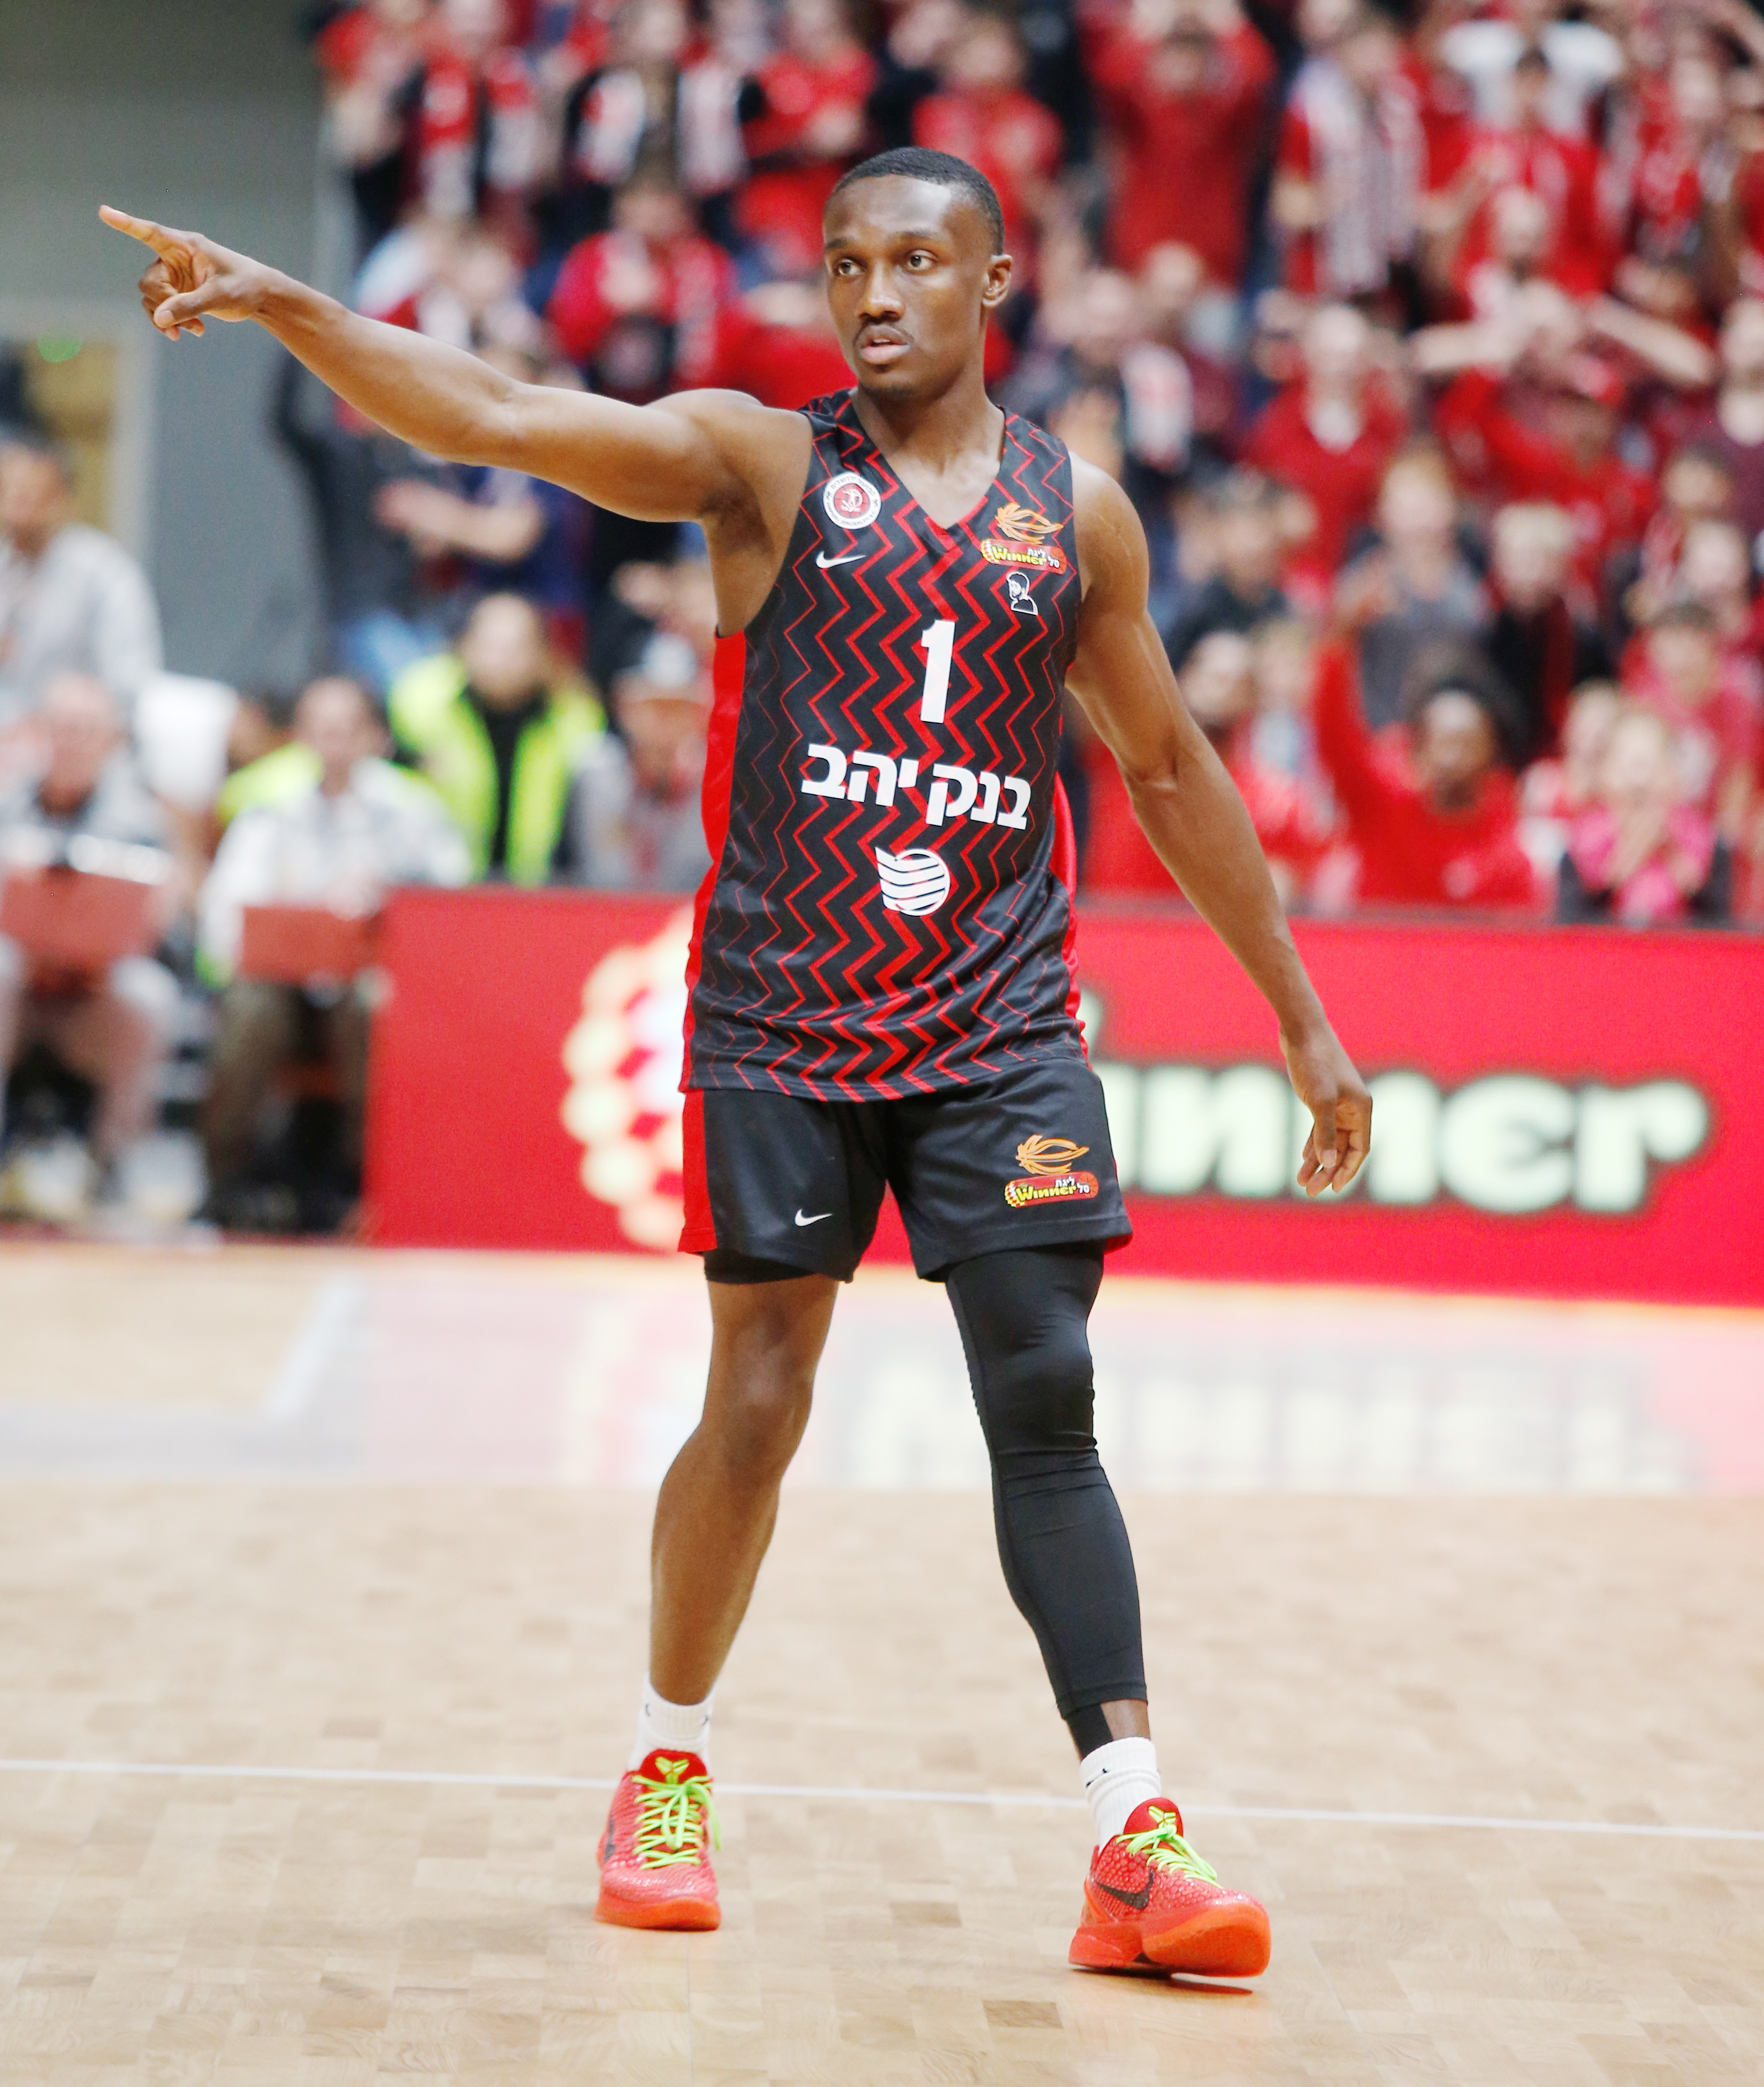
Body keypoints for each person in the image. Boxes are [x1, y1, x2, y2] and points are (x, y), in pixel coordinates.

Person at [104, 143, 1371, 1979]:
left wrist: (1301, 1016)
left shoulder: (1075, 516)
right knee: (760, 1399)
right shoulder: (760, 465)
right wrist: (293, 305)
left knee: (1045, 1390)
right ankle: (665, 1764)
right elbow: (493, 417)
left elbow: (1167, 769)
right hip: (783, 1013)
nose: (874, 294)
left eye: (914, 262)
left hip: (999, 1021)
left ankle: (1131, 1830)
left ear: (993, 280)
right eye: (846, 264)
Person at [198, 676, 470, 1228]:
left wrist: (385, 903)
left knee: (371, 1005)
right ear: (299, 734)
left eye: (347, 729)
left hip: (371, 983)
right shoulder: (269, 809)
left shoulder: (413, 811)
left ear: (376, 736)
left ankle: (364, 1183)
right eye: (320, 729)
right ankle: (226, 1181)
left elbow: (454, 905)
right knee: (249, 1008)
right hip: (282, 985)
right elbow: (224, 915)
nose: (333, 743)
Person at [0, 673, 181, 1198]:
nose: (71, 741)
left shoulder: (140, 819)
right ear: (39, 732)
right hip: (16, 990)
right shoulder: (6, 804)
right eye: (61, 726)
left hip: (94, 994)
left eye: (85, 729)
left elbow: (163, 925)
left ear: (110, 740)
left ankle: (113, 1164)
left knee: (149, 996)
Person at [1309, 636, 1541, 909]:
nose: (1453, 758)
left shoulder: (1505, 843)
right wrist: (1340, 641)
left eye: (1467, 744)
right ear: (1420, 749)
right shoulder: (1383, 805)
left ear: (1491, 753)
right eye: (1442, 743)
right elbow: (1335, 740)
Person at [388, 591, 605, 884]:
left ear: (544, 654)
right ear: (463, 646)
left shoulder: (576, 718)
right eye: (490, 645)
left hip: (543, 888)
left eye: (516, 647)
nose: (501, 659)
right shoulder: (417, 702)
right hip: (438, 886)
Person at [0, 431, 163, 728]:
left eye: (29, 495)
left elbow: (129, 683)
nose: (16, 508)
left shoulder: (105, 574)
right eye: (8, 492)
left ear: (62, 498)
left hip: (73, 738)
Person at [561, 628, 714, 889]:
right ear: (624, 706)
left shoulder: (718, 782)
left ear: (698, 713)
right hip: (600, 908)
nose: (664, 720)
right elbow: (564, 869)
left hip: (687, 911)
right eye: (652, 704)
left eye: (678, 706)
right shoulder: (591, 776)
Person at [1556, 704, 1731, 926]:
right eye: (1625, 766)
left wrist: (1672, 854)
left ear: (1673, 775)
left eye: (1651, 766)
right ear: (1604, 775)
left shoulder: (1711, 845)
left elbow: (1720, 926)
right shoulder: (1578, 847)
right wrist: (1626, 861)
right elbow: (1571, 929)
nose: (1639, 781)